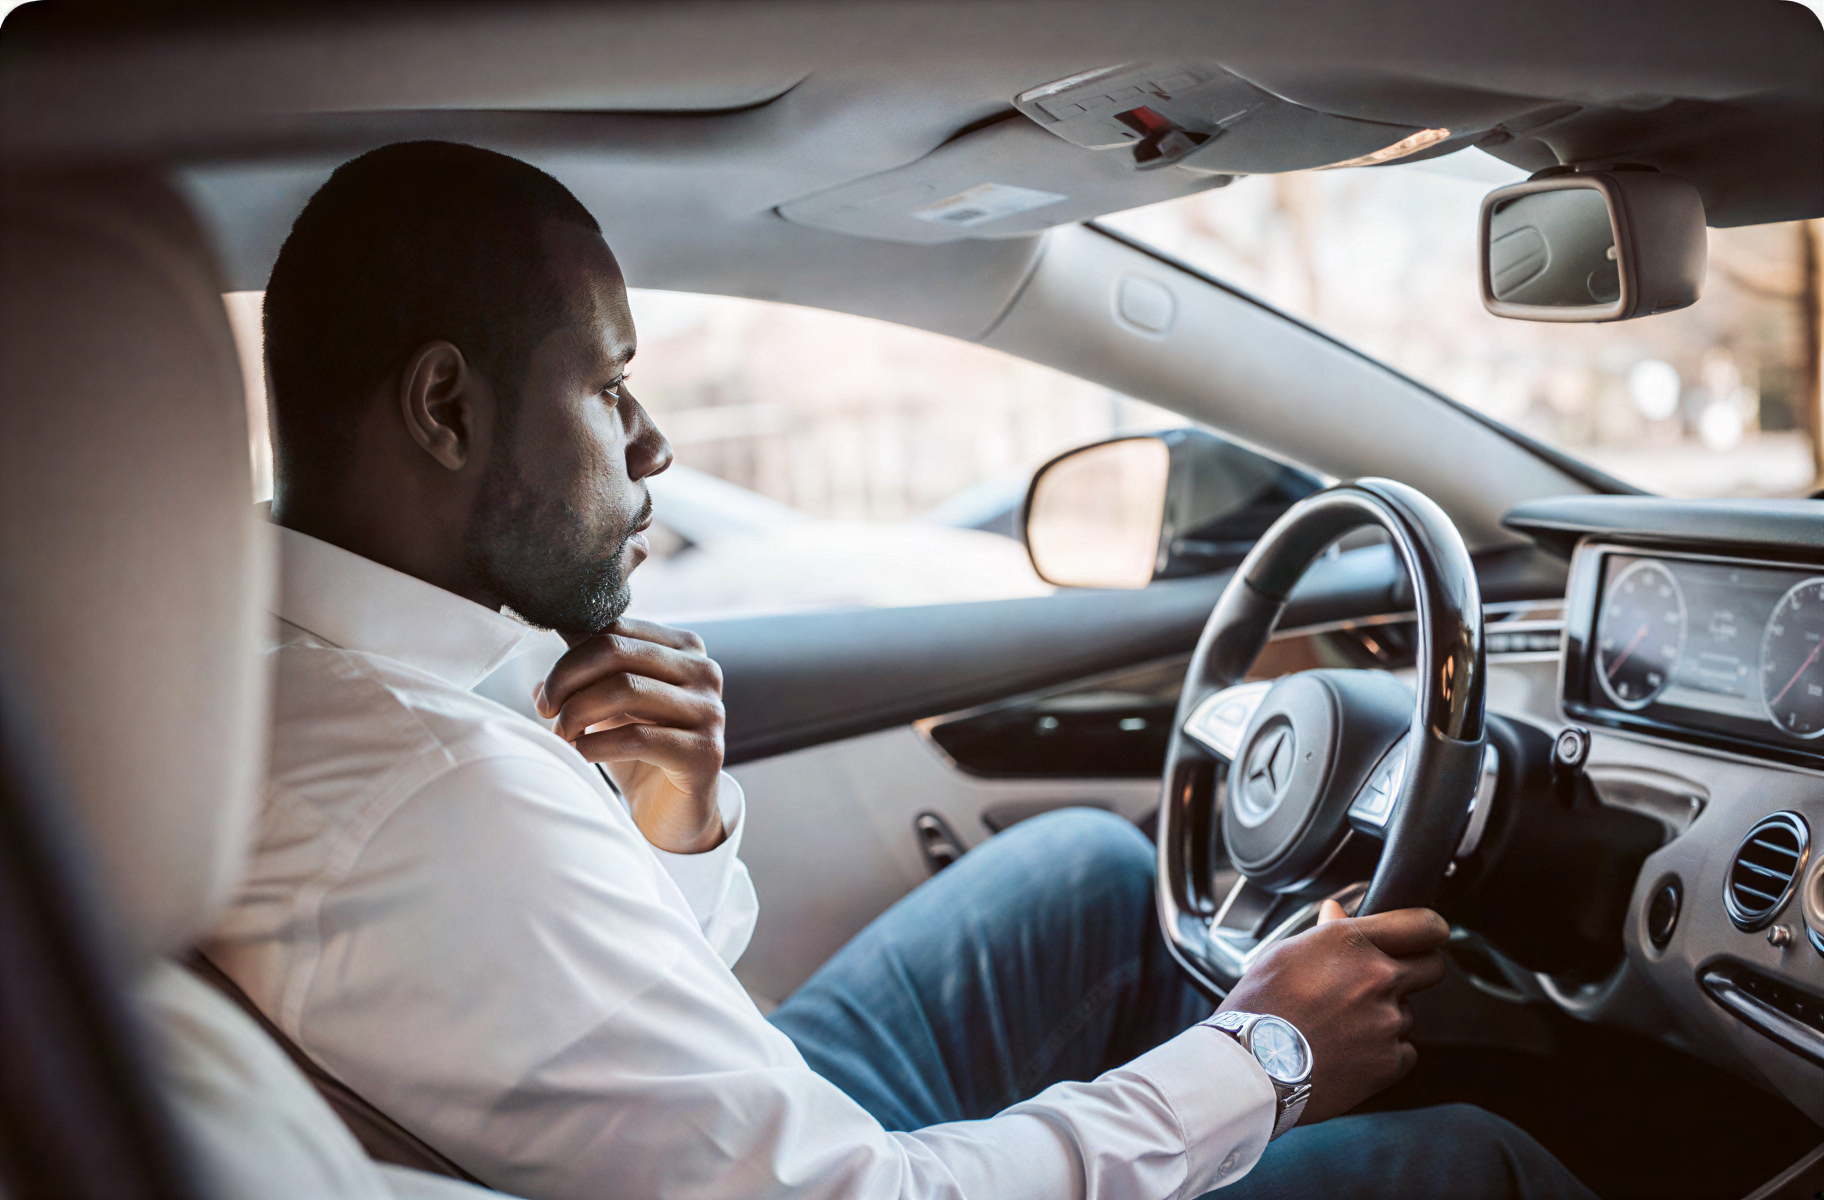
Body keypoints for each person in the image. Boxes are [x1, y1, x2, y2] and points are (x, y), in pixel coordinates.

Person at [206, 140, 1596, 1200]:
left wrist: (672, 831)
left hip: (732, 1143)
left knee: (1092, 876)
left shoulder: (288, 676)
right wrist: (1268, 1061)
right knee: (1470, 1160)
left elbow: (597, 1026)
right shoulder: (432, 794)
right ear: (448, 407)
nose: (652, 447)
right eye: (609, 386)